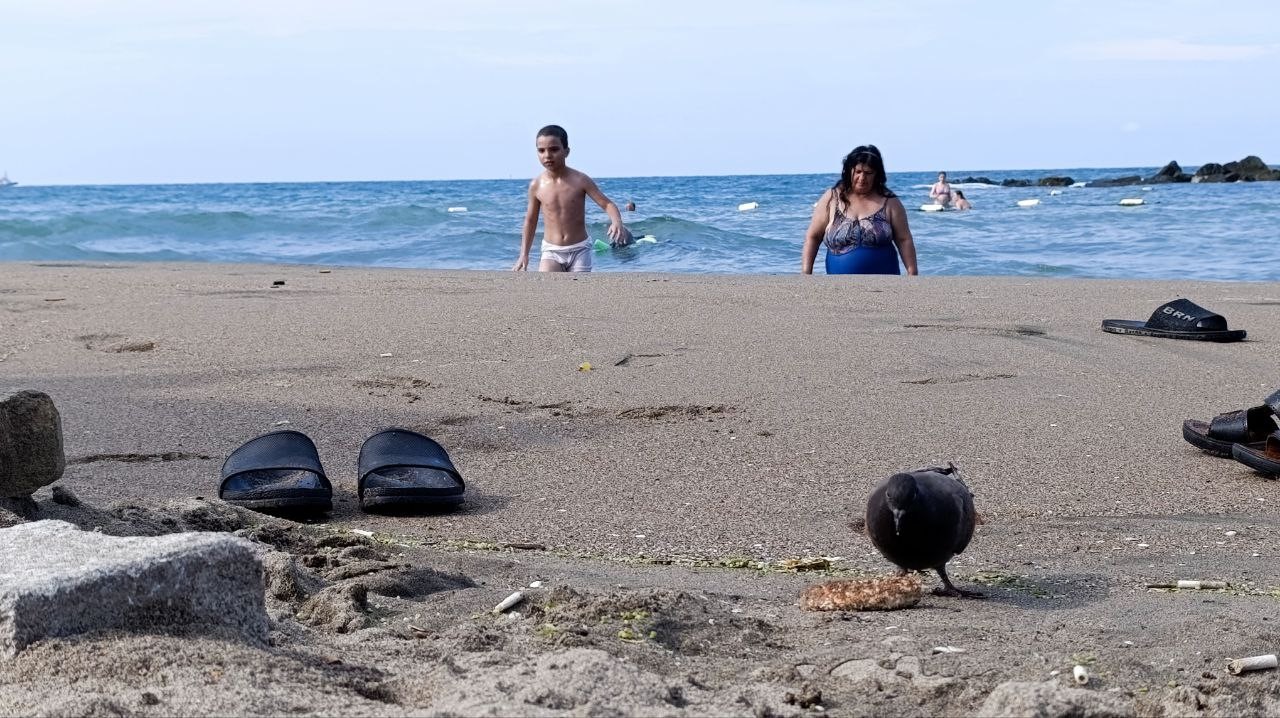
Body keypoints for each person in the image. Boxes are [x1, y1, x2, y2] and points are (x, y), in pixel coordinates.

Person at [512, 125, 631, 272]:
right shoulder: (536, 185)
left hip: (580, 249)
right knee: (547, 290)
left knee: (577, 291)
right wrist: (524, 255)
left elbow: (606, 204)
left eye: (554, 149)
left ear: (566, 151)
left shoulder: (580, 180)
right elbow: (530, 220)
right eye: (541, 150)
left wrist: (616, 222)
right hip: (551, 251)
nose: (547, 155)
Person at [802, 145, 919, 275]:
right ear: (849, 171)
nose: (862, 178)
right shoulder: (831, 198)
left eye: (868, 173)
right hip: (837, 287)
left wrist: (912, 273)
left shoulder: (890, 202)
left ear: (877, 175)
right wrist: (806, 273)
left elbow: (904, 239)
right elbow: (813, 237)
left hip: (886, 285)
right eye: (858, 172)